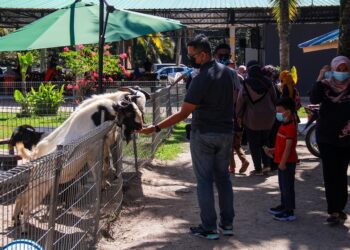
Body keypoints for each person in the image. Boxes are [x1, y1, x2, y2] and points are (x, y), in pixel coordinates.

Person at [138, 34, 235, 240]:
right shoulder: (228, 73)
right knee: (223, 179)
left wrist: (155, 128)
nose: (191, 59)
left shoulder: (201, 78)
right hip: (226, 132)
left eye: (193, 55)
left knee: (205, 181)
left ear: (205, 54)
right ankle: (227, 224)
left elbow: (183, 113)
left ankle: (209, 227)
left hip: (204, 134)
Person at [310, 55, 350, 225]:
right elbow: (314, 98)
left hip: (347, 138)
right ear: (332, 69)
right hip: (326, 137)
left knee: (342, 174)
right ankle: (334, 210)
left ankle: (340, 207)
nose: (341, 72)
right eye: (338, 69)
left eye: (344, 69)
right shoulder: (325, 86)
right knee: (331, 175)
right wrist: (320, 77)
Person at [236, 60, 277, 176]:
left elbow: (240, 101)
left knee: (254, 143)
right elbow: (274, 98)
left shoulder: (246, 83)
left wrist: (238, 115)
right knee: (265, 141)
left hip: (252, 118)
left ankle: (258, 168)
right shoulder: (268, 82)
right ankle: (267, 165)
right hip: (269, 118)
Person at [214, 46, 249, 174]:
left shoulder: (228, 74)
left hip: (228, 116)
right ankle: (242, 161)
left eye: (225, 55)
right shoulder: (236, 76)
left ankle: (232, 167)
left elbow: (237, 94)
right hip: (236, 115)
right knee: (236, 144)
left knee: (227, 145)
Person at [265, 97, 298, 221]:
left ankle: (289, 212)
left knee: (287, 187)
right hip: (282, 161)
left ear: (288, 112)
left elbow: (289, 148)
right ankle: (284, 206)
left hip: (287, 163)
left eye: (279, 111)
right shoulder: (283, 125)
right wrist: (272, 150)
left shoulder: (290, 128)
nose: (277, 114)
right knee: (283, 186)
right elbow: (281, 145)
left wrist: (283, 163)